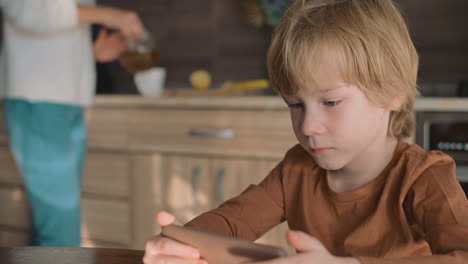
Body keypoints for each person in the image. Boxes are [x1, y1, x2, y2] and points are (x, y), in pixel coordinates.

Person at [143, 0, 468, 263]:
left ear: (393, 93)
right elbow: (231, 222)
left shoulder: (425, 177)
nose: (308, 127)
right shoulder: (296, 169)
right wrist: (181, 245)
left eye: (331, 101)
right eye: (295, 105)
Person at [0, 0, 145, 246]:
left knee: (54, 224)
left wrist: (90, 54)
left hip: (69, 100)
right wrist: (111, 16)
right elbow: (27, 12)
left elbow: (53, 30)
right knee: (61, 230)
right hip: (38, 99)